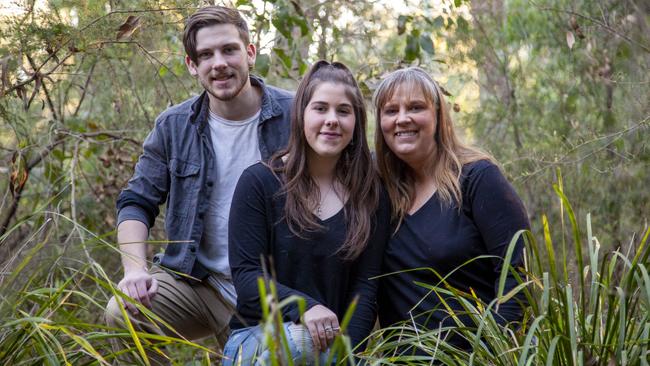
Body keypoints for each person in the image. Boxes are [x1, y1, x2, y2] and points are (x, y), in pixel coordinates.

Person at [104, 6, 292, 363]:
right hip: (199, 283)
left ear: (250, 53)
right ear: (192, 65)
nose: (218, 63)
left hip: (273, 290)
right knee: (123, 314)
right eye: (205, 55)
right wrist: (135, 270)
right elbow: (136, 202)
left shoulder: (296, 115)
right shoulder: (174, 126)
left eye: (229, 50)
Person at [223, 61, 390, 365]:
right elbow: (248, 279)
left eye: (343, 111)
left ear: (356, 123)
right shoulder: (259, 183)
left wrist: (346, 354)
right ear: (301, 115)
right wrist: (305, 307)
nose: (332, 120)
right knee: (301, 341)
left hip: (330, 347)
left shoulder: (371, 193)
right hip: (256, 340)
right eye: (320, 109)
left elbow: (366, 286)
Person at [373, 67, 529, 352]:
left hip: (477, 357)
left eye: (416, 107)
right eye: (391, 110)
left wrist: (489, 353)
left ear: (438, 115)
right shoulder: (379, 191)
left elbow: (518, 277)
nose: (402, 118)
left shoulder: (477, 179)